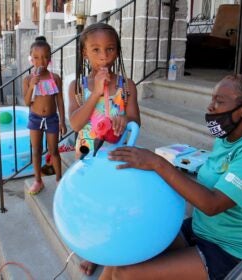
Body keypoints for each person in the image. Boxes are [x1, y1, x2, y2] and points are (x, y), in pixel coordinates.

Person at [100, 74, 242, 280]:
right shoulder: (226, 138)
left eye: (219, 102)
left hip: (230, 252)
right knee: (122, 252)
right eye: (212, 99)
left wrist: (158, 163)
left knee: (126, 274)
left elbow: (212, 204)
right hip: (200, 230)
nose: (211, 107)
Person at [68, 22, 141, 274]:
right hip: (87, 159)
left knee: (114, 207)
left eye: (110, 50)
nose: (103, 57)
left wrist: (126, 120)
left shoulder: (126, 86)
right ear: (84, 53)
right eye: (96, 50)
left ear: (117, 52)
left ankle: (110, 252)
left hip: (117, 158)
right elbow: (76, 123)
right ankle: (91, 250)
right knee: (91, 206)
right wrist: (96, 93)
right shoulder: (77, 87)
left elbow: (135, 121)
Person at [23, 36, 67, 195]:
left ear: (49, 58)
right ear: (31, 59)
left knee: (53, 150)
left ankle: (59, 179)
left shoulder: (55, 78)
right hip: (35, 119)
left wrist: (62, 121)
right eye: (36, 57)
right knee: (36, 150)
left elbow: (60, 100)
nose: (40, 61)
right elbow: (27, 102)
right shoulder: (28, 79)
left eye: (44, 57)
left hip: (51, 119)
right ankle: (38, 180)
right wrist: (32, 85)